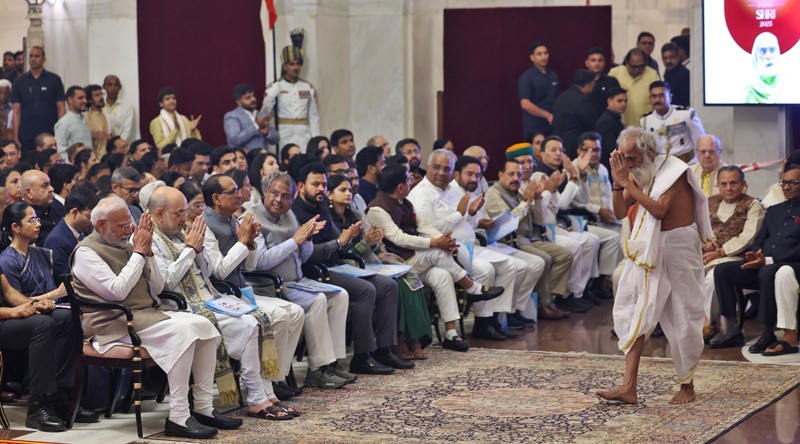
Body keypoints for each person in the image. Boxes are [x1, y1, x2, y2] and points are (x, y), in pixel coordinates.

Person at [72, 196, 241, 439]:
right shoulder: (86, 252)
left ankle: (203, 408)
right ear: (101, 226)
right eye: (122, 226)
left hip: (144, 315)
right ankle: (179, 416)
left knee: (204, 326)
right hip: (112, 323)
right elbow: (116, 291)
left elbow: (157, 287)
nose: (128, 231)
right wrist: (139, 254)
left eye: (130, 225)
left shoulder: (128, 246)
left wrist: (148, 253)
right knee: (185, 333)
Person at [148, 186, 296, 419]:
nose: (185, 218)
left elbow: (207, 272)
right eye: (179, 213)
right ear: (158, 213)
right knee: (248, 326)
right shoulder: (151, 241)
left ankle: (266, 393)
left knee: (260, 318)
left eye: (186, 211)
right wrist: (190, 250)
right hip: (182, 306)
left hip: (212, 297)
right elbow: (165, 283)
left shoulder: (182, 231)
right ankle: (256, 398)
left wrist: (197, 251)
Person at [597, 126, 711, 405]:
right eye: (623, 158)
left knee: (683, 316)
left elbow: (659, 210)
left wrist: (628, 184)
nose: (628, 163)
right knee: (635, 310)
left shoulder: (676, 171)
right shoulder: (637, 172)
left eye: (632, 158)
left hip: (678, 248)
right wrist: (617, 183)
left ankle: (687, 385)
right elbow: (621, 212)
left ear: (649, 152)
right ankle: (629, 387)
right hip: (647, 249)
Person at [367, 163, 504, 350]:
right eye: (408, 179)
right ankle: (472, 287)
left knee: (443, 276)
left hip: (414, 258)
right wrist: (435, 243)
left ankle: (451, 333)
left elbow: (422, 227)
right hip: (395, 260)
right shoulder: (377, 209)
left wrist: (442, 240)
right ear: (400, 187)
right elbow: (398, 238)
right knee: (437, 252)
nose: (411, 182)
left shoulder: (405, 202)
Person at [290, 162, 408, 372]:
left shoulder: (322, 209)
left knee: (388, 285)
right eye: (314, 184)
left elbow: (340, 241)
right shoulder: (295, 213)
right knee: (366, 290)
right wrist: (339, 243)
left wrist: (352, 238)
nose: (320, 189)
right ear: (300, 186)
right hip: (315, 272)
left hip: (336, 266)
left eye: (323, 185)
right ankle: (361, 357)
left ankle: (384, 350)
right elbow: (305, 254)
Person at [199, 175, 305, 397]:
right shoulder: (205, 225)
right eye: (233, 191)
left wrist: (250, 244)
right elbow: (218, 271)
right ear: (217, 198)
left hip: (241, 291)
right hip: (221, 295)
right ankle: (265, 384)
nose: (240, 195)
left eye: (239, 189)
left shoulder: (234, 220)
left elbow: (250, 265)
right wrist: (241, 242)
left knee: (295, 312)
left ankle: (276, 378)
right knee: (278, 315)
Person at [249, 171, 354, 388]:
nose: (279, 200)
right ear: (265, 192)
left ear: (293, 197)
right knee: (318, 301)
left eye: (285, 196)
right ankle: (317, 368)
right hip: (270, 285)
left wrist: (307, 239)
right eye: (274, 194)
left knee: (340, 295)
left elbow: (302, 256)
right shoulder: (253, 218)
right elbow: (260, 262)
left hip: (297, 279)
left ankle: (331, 363)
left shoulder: (289, 216)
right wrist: (295, 241)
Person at [0, 201, 98, 431]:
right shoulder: (6, 258)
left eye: (37, 218)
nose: (38, 224)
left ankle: (61, 396)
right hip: (7, 321)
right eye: (31, 220)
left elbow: (11, 294)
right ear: (15, 227)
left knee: (65, 319)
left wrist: (35, 303)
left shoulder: (40, 253)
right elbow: (12, 303)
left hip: (21, 314)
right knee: (43, 324)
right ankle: (38, 404)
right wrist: (28, 306)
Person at [327, 174, 431, 358]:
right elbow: (343, 254)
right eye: (342, 190)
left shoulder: (356, 215)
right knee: (395, 285)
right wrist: (366, 242)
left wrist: (374, 241)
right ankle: (398, 341)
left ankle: (414, 339)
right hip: (348, 266)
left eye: (349, 190)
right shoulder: (329, 221)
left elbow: (373, 245)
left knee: (410, 278)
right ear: (330, 195)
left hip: (369, 261)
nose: (348, 194)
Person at [713, 165, 800, 354]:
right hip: (764, 265)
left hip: (792, 267)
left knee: (769, 271)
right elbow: (760, 240)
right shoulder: (775, 210)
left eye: (793, 183)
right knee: (723, 270)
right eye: (784, 182)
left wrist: (768, 260)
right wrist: (754, 255)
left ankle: (767, 331)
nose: (786, 187)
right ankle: (732, 328)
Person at [488, 144, 574, 318]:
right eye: (511, 174)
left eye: (519, 175)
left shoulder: (519, 193)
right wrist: (526, 201)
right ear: (500, 175)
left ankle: (549, 300)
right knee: (544, 259)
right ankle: (540, 304)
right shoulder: (494, 193)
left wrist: (538, 198)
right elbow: (507, 224)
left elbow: (539, 221)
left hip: (528, 238)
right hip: (510, 241)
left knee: (565, 254)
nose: (516, 178)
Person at [697, 166, 763, 347]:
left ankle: (709, 325)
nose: (728, 188)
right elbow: (696, 227)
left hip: (735, 258)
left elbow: (748, 237)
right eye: (723, 184)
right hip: (705, 255)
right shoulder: (709, 202)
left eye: (733, 183)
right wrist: (704, 243)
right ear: (718, 185)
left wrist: (719, 252)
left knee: (713, 275)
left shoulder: (752, 205)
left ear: (743, 184)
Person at [261, 45, 320, 150]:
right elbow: (265, 112)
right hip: (283, 135)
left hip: (304, 135)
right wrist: (272, 94)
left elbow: (313, 117)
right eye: (291, 64)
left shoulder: (308, 87)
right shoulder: (275, 87)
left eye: (298, 64)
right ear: (284, 66)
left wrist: (316, 140)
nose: (295, 67)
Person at [11, 47, 66, 152]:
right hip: (26, 133)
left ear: (44, 59)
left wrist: (60, 133)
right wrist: (15, 135)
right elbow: (16, 111)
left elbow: (61, 108)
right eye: (31, 56)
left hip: (49, 132)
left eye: (37, 56)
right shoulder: (19, 82)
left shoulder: (54, 80)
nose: (33, 59)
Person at [568, 132, 620, 235]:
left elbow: (609, 195)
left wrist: (611, 211)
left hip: (606, 218)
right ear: (579, 151)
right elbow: (573, 201)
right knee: (615, 237)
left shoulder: (603, 169)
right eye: (588, 150)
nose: (593, 154)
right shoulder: (572, 169)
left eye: (597, 150)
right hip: (587, 219)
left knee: (627, 226)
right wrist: (599, 210)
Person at [640, 81, 705, 163]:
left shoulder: (686, 114)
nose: (657, 100)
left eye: (661, 95)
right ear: (650, 99)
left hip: (687, 163)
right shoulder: (646, 121)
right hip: (661, 165)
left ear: (670, 97)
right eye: (654, 96)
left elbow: (700, 141)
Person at [44, 186, 98, 278]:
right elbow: (64, 277)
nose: (93, 221)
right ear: (74, 212)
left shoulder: (87, 232)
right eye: (89, 217)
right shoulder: (56, 240)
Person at [552, 70, 598, 159]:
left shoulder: (562, 97)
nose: (593, 86)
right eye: (592, 83)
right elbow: (592, 124)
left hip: (560, 142)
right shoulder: (583, 100)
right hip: (575, 145)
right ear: (587, 85)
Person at [609, 48, 660, 127]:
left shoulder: (652, 74)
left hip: (644, 125)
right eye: (633, 66)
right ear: (627, 63)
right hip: (619, 125)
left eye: (641, 66)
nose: (637, 70)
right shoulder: (615, 73)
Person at [518, 42, 559, 139]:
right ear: (532, 57)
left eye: (545, 53)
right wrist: (547, 115)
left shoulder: (553, 75)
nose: (543, 56)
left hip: (552, 124)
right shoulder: (527, 77)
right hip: (535, 126)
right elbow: (525, 103)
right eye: (539, 54)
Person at [224, 83, 278, 151]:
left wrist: (267, 132)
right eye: (248, 98)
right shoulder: (232, 116)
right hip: (244, 159)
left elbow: (276, 140)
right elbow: (235, 140)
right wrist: (256, 126)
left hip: (263, 157)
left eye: (253, 96)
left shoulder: (261, 115)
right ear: (238, 102)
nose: (253, 99)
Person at [20, 169, 63, 244]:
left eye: (50, 184)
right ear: (29, 192)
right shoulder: (20, 215)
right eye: (45, 186)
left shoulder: (56, 205)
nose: (51, 189)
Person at [594, 87, 627, 173]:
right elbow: (612, 148)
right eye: (619, 101)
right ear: (609, 101)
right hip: (609, 167)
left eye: (625, 101)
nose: (624, 104)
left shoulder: (614, 118)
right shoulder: (606, 122)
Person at [53, 86, 91, 159]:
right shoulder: (64, 123)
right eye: (80, 98)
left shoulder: (85, 119)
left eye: (85, 98)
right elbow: (61, 150)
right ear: (70, 100)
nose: (85, 101)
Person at [745, 32, 781, 104]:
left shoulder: (787, 84)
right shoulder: (747, 90)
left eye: (772, 50)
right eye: (763, 51)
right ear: (755, 55)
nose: (768, 56)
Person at [585, 47, 620, 117]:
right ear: (587, 63)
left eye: (600, 60)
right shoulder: (582, 82)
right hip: (586, 122)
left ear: (604, 63)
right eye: (593, 60)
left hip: (607, 122)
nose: (597, 63)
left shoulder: (612, 82)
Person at [102, 75, 137, 142]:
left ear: (119, 87)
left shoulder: (127, 107)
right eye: (110, 85)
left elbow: (127, 131)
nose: (113, 88)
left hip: (120, 147)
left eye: (116, 85)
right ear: (104, 86)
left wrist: (117, 146)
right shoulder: (98, 106)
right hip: (100, 146)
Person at [83, 84, 111, 158]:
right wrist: (93, 135)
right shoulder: (85, 117)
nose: (101, 97)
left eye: (101, 94)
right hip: (94, 158)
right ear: (89, 100)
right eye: (97, 95)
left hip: (108, 156)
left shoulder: (108, 116)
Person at [661, 43, 690, 107]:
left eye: (672, 57)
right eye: (665, 58)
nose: (668, 61)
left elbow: (684, 102)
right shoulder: (668, 71)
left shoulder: (684, 74)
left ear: (678, 57)